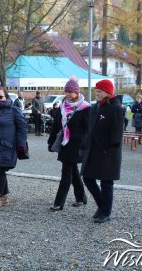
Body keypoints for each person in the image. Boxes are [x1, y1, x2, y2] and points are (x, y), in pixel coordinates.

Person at [80, 79, 124, 224]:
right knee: (87, 177)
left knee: (106, 182)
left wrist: (110, 149)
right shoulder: (95, 107)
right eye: (96, 91)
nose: (96, 93)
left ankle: (105, 212)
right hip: (92, 150)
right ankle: (102, 206)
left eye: (99, 91)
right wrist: (84, 145)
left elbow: (117, 132)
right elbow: (89, 129)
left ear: (107, 92)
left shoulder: (116, 108)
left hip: (108, 152)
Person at [47, 77, 90, 212]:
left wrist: (86, 145)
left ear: (77, 92)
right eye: (66, 92)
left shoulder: (85, 108)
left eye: (71, 92)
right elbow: (56, 126)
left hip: (77, 145)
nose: (68, 94)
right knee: (73, 171)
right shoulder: (62, 106)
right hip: (65, 144)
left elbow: (89, 129)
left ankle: (59, 202)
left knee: (66, 172)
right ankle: (81, 197)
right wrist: (51, 141)